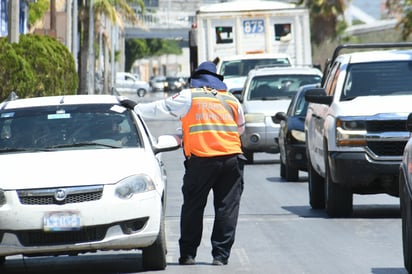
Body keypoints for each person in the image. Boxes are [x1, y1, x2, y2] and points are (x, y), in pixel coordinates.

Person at [120, 61, 245, 266]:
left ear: (196, 79)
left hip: (202, 160)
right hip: (232, 159)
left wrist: (136, 107)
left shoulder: (190, 95)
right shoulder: (231, 100)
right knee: (227, 209)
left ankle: (188, 254)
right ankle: (221, 256)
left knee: (193, 208)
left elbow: (161, 108)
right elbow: (239, 129)